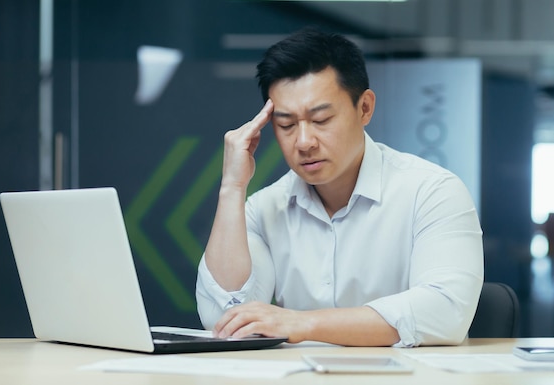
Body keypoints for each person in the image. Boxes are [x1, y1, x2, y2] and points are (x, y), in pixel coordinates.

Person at [196, 27, 483, 347]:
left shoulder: (431, 192)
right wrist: (232, 188)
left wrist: (302, 323)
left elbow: (446, 313)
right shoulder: (265, 208)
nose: (304, 142)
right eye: (286, 125)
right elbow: (223, 317)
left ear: (365, 108)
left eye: (321, 120)